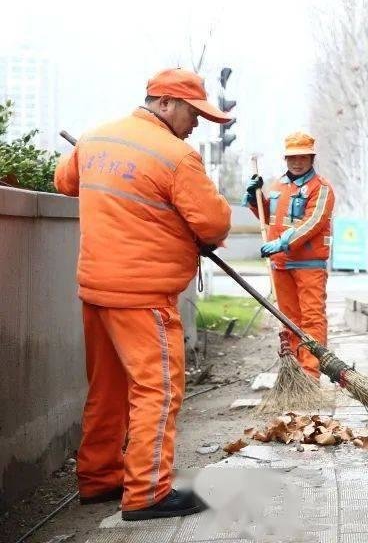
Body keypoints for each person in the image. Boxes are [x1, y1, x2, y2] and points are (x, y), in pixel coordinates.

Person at [53, 68, 233, 520]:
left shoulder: (95, 139)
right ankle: (147, 492)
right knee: (158, 389)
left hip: (96, 288)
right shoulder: (177, 157)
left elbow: (65, 183)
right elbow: (214, 224)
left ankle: (99, 478)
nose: (196, 125)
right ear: (167, 104)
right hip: (143, 294)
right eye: (193, 114)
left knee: (108, 388)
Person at [244, 132, 335, 378]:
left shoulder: (321, 188)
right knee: (289, 320)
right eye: (292, 157)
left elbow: (312, 222)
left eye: (303, 157)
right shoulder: (277, 185)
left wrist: (282, 243)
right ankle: (294, 373)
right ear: (285, 158)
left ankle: (310, 374)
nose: (297, 162)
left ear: (311, 158)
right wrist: (255, 200)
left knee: (312, 319)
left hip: (308, 265)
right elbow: (268, 219)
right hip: (281, 265)